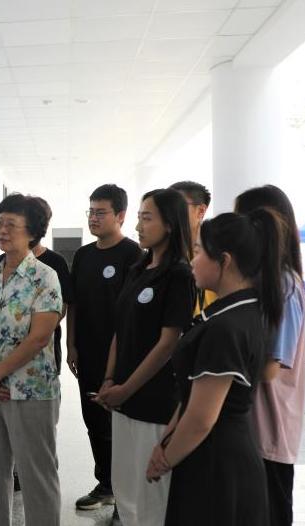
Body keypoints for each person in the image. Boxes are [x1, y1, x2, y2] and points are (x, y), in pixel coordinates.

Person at [148, 209, 286, 525]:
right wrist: (167, 441)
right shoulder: (237, 315)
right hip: (213, 455)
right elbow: (190, 397)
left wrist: (164, 459)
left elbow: (201, 418)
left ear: (224, 261)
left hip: (217, 463)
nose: (192, 260)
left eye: (198, 252)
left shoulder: (227, 327)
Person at [96, 188, 195, 526]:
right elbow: (120, 330)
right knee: (125, 488)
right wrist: (110, 380)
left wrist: (127, 389)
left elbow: (168, 344)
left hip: (154, 403)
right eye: (138, 217)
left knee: (152, 494)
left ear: (170, 224)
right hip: (122, 398)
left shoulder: (179, 275)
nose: (138, 225)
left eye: (146, 217)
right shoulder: (138, 268)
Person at [0, 194, 64, 526]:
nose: (2, 230)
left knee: (37, 476)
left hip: (31, 392)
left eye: (11, 224)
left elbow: (39, 337)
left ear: (32, 231)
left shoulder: (45, 277)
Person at [66, 184, 141, 523]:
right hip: (88, 353)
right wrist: (71, 344)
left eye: (101, 212)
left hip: (122, 357)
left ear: (120, 216)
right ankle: (105, 484)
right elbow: (75, 304)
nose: (94, 218)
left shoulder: (134, 255)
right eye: (91, 211)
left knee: (121, 425)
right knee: (94, 421)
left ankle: (126, 499)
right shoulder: (83, 255)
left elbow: (134, 315)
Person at [235, 185, 305, 526]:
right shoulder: (260, 281)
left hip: (270, 429)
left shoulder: (285, 286)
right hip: (250, 428)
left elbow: (270, 369)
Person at [0, 196, 75, 494]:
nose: (3, 230)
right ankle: (18, 475)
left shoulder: (50, 268)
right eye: (0, 223)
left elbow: (57, 314)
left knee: (39, 448)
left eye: (11, 224)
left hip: (37, 369)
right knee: (0, 456)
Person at [169, 181, 216, 314]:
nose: (169, 213)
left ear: (200, 211)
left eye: (176, 206)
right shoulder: (161, 254)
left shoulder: (215, 253)